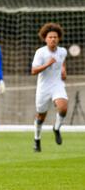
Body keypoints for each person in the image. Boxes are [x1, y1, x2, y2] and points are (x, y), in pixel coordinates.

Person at [31, 23, 68, 153]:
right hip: (43, 87)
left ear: (58, 38)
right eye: (50, 37)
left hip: (57, 84)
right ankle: (37, 139)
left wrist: (64, 70)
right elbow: (33, 71)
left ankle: (56, 128)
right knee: (41, 116)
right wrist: (47, 64)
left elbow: (62, 62)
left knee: (63, 108)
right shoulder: (40, 52)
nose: (53, 39)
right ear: (45, 38)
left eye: (55, 37)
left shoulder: (63, 51)